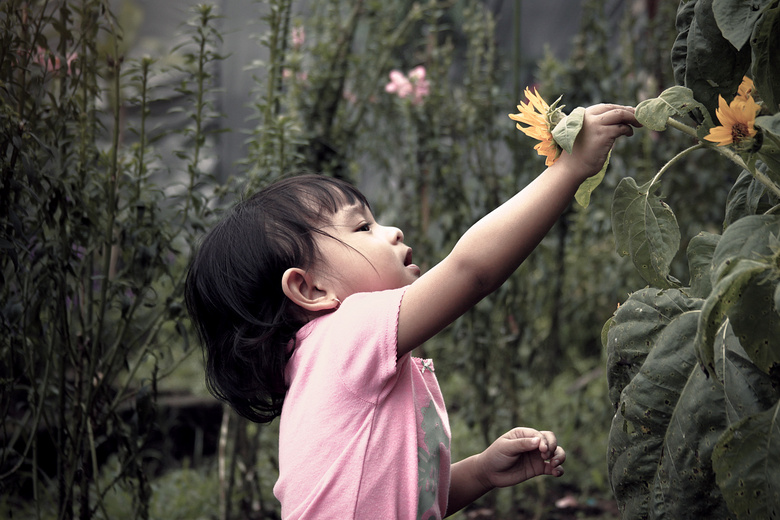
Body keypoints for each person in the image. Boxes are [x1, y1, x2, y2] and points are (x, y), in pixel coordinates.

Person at [184, 103, 639, 519]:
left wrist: (479, 473)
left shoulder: (330, 366)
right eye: (364, 227)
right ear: (310, 288)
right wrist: (571, 168)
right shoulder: (344, 334)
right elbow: (472, 271)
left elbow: (392, 498)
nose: (394, 231)